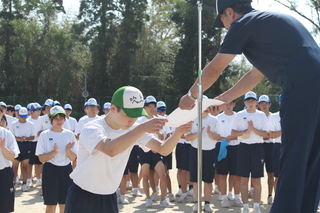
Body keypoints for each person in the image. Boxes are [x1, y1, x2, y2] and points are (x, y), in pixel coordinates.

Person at [179, 0, 320, 212]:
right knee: (312, 160)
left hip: (300, 87)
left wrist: (190, 96)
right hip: (314, 85)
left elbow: (214, 70)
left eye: (223, 21)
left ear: (230, 12)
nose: (225, 27)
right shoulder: (270, 21)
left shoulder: (242, 24)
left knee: (293, 159)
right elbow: (254, 75)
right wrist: (222, 100)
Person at [64, 86, 192, 213]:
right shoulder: (92, 127)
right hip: (83, 195)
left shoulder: (134, 128)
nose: (132, 120)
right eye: (128, 115)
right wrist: (141, 128)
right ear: (113, 109)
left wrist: (178, 132)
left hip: (109, 196)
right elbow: (110, 150)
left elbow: (163, 149)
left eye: (136, 115)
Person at [36, 106, 78, 213]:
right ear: (50, 119)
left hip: (66, 170)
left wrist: (68, 150)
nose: (59, 121)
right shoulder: (44, 135)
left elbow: (74, 158)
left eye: (61, 118)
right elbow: (41, 158)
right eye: (56, 118)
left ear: (65, 119)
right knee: (51, 204)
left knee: (64, 204)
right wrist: (54, 152)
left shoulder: (69, 134)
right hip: (50, 170)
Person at [185, 96, 223, 212]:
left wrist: (210, 133)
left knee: (208, 180)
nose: (205, 108)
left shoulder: (214, 120)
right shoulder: (193, 119)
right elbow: (187, 137)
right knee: (195, 180)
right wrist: (198, 133)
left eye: (207, 105)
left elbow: (219, 138)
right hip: (195, 151)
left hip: (210, 152)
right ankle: (197, 203)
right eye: (202, 105)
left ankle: (207, 203)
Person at [216, 100, 243, 208]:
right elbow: (215, 135)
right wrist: (225, 139)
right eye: (226, 104)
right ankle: (224, 198)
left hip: (236, 148)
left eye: (230, 103)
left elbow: (243, 133)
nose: (228, 106)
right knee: (222, 175)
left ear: (234, 104)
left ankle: (236, 197)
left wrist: (234, 138)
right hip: (222, 147)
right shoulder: (218, 118)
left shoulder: (239, 117)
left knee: (236, 175)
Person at [10, 107, 36, 192]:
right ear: (18, 115)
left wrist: (26, 138)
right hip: (16, 145)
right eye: (21, 116)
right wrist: (19, 138)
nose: (23, 118)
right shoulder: (13, 124)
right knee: (15, 167)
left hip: (27, 145)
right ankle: (14, 183)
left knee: (25, 167)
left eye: (25, 116)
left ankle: (24, 184)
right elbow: (12, 136)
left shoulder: (31, 124)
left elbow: (33, 137)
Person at [0, 108, 20, 213]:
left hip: (4, 173)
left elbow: (12, 157)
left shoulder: (7, 134)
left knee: (5, 207)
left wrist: (3, 148)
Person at [258, 95, 274, 204]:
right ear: (258, 105)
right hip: (259, 145)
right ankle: (256, 197)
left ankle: (269, 195)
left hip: (271, 146)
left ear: (270, 105)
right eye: (262, 103)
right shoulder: (256, 116)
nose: (264, 105)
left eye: (266, 103)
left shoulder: (274, 117)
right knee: (257, 173)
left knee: (271, 173)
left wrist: (268, 135)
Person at [26, 102, 43, 188]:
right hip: (30, 143)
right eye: (36, 110)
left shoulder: (42, 119)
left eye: (39, 110)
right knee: (30, 163)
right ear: (31, 111)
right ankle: (29, 179)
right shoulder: (28, 120)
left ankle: (39, 179)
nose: (38, 112)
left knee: (39, 163)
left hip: (39, 143)